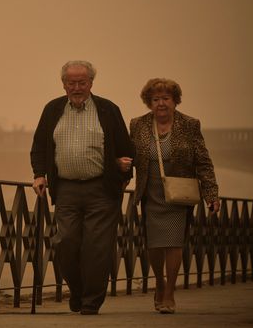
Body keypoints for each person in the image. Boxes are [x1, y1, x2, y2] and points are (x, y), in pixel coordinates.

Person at [30, 60, 134, 315]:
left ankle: (90, 302)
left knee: (97, 248)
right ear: (63, 84)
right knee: (65, 242)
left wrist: (124, 167)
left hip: (102, 189)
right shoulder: (53, 109)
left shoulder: (108, 110)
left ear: (91, 84)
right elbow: (40, 146)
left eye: (82, 82)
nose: (77, 87)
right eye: (71, 83)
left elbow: (126, 148)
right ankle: (77, 291)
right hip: (65, 189)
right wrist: (39, 175)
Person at [126, 78, 220, 314]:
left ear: (175, 101)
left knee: (174, 242)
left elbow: (203, 162)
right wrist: (122, 168)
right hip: (152, 192)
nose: (161, 103)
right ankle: (159, 281)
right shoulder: (138, 124)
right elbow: (130, 157)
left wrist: (211, 193)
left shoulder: (189, 124)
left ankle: (169, 292)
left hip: (179, 193)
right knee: (154, 245)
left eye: (166, 98)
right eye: (155, 99)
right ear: (149, 102)